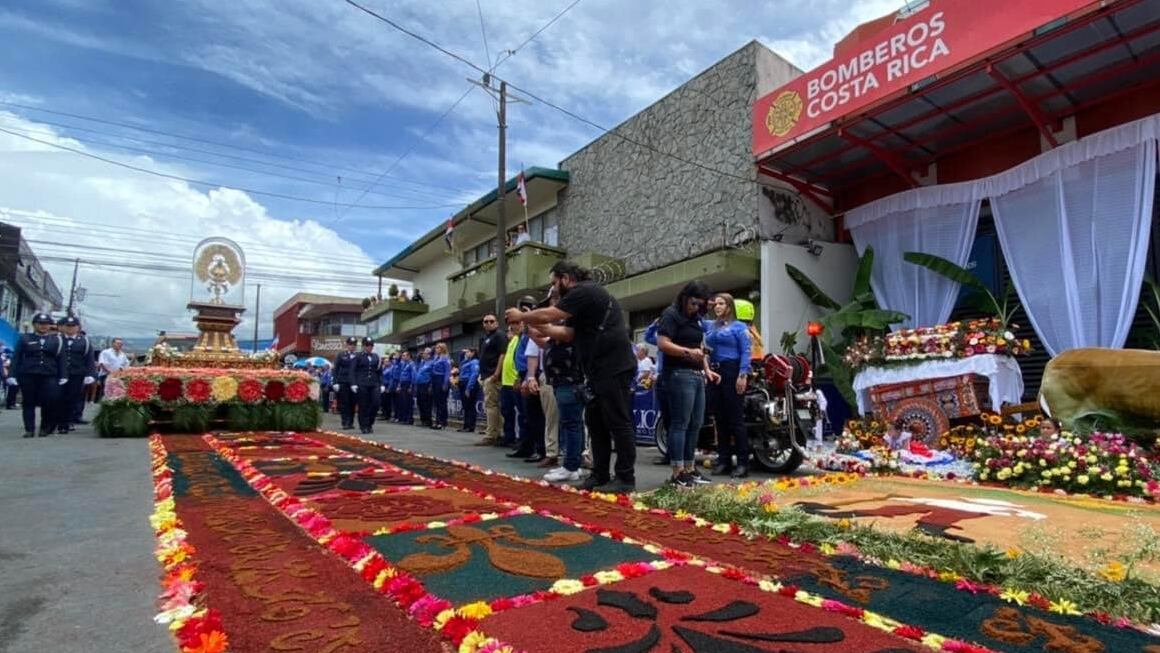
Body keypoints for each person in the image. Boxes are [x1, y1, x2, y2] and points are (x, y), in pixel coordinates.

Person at [508, 260, 637, 494]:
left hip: (614, 366)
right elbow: (568, 334)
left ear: (565, 278)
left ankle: (625, 477)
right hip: (597, 370)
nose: (555, 289)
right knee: (596, 423)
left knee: (618, 422)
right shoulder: (582, 300)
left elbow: (553, 313)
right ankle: (599, 474)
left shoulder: (584, 290)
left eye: (554, 283)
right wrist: (541, 329)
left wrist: (522, 317)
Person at [656, 281, 714, 487]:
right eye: (694, 303)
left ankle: (690, 467)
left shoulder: (696, 319)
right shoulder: (671, 314)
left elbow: (700, 346)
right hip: (679, 374)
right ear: (685, 297)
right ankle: (677, 470)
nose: (696, 308)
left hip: (697, 374)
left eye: (701, 304)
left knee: (695, 424)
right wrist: (687, 353)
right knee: (680, 423)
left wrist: (707, 370)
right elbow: (663, 343)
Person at [537, 289, 586, 483]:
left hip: (570, 381)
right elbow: (543, 339)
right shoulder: (557, 327)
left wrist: (527, 317)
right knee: (573, 424)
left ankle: (571, 466)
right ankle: (573, 463)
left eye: (556, 300)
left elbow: (554, 333)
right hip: (561, 381)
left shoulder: (571, 323)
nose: (552, 305)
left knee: (571, 424)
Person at [705, 293, 752, 478]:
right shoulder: (712, 326)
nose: (717, 306)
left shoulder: (739, 327)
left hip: (732, 371)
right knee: (719, 418)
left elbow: (746, 352)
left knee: (735, 419)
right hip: (714, 373)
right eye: (715, 303)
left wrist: (742, 375)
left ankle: (742, 463)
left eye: (721, 303)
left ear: (729, 307)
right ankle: (723, 459)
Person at [12, 312, 66, 437]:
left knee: (49, 401)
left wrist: (64, 375)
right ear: (34, 325)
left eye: (46, 324)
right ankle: (29, 429)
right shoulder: (25, 338)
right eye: (40, 324)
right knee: (28, 401)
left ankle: (45, 427)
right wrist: (12, 375)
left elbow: (61, 359)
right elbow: (17, 357)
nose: (43, 326)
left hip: (49, 374)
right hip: (29, 373)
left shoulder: (56, 340)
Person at [56, 316, 95, 433]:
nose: (70, 328)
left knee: (72, 398)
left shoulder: (84, 341)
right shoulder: (57, 339)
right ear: (63, 327)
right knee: (56, 398)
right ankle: (55, 420)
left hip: (76, 374)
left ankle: (67, 422)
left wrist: (90, 374)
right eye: (68, 326)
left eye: (73, 326)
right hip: (58, 373)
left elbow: (89, 359)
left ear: (78, 327)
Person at [475, 313, 506, 445]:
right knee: (492, 405)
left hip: (493, 376)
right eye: (486, 321)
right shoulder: (486, 338)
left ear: (496, 323)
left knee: (491, 406)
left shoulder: (499, 335)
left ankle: (491, 434)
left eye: (491, 321)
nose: (488, 323)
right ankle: (497, 433)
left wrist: (496, 373)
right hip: (486, 375)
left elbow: (502, 354)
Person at [353, 337, 381, 434]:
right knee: (363, 405)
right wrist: (353, 383)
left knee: (376, 403)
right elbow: (352, 371)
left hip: (374, 383)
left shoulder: (376, 357)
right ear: (364, 346)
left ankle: (370, 423)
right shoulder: (358, 356)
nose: (370, 347)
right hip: (362, 383)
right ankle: (364, 426)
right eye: (368, 345)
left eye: (371, 345)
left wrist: (381, 383)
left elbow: (379, 371)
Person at [333, 337, 358, 430]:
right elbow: (336, 369)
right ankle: (345, 422)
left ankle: (350, 422)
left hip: (354, 383)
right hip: (343, 381)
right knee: (344, 402)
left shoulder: (358, 355)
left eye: (354, 345)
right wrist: (335, 382)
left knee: (353, 402)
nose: (352, 346)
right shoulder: (341, 355)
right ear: (347, 345)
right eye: (351, 344)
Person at [96, 337, 130, 403]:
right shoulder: (106, 352)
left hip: (117, 376)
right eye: (118, 343)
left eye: (121, 344)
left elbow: (126, 364)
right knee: (105, 392)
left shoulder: (122, 354)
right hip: (106, 375)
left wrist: (121, 370)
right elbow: (102, 363)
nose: (120, 345)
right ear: (113, 344)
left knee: (115, 393)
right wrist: (109, 372)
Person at [457, 348, 480, 433]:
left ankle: (470, 426)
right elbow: (460, 364)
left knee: (470, 405)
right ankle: (466, 425)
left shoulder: (475, 362)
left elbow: (474, 374)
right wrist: (462, 355)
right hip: (463, 383)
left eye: (468, 352)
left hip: (469, 384)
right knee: (466, 406)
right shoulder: (466, 362)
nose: (466, 354)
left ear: (473, 352)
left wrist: (469, 387)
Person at [431, 343, 452, 430]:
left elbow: (447, 372)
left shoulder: (445, 358)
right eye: (436, 348)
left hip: (441, 379)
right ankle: (437, 421)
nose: (436, 349)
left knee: (442, 402)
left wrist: (445, 383)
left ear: (443, 349)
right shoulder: (436, 358)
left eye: (438, 348)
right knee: (436, 402)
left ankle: (442, 422)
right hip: (435, 380)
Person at [414, 347, 435, 427]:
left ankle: (428, 421)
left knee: (426, 403)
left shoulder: (431, 363)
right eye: (423, 353)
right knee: (420, 403)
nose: (423, 355)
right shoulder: (422, 363)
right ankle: (423, 420)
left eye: (425, 353)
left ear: (429, 355)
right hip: (419, 385)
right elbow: (416, 366)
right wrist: (418, 356)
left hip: (426, 385)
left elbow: (432, 375)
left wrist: (430, 385)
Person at [395, 351, 415, 424]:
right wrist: (399, 385)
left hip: (408, 384)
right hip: (403, 384)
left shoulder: (411, 364)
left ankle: (409, 419)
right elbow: (401, 375)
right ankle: (404, 418)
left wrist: (411, 386)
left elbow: (413, 375)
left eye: (404, 356)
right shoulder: (404, 364)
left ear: (409, 356)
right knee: (403, 402)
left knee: (408, 402)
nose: (403, 357)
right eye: (402, 355)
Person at [380, 355, 395, 421]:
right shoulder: (384, 368)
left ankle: (387, 415)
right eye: (384, 362)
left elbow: (391, 379)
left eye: (387, 361)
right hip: (382, 385)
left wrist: (389, 388)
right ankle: (383, 414)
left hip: (387, 385)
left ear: (390, 362)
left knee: (387, 402)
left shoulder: (391, 369)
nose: (385, 363)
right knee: (383, 401)